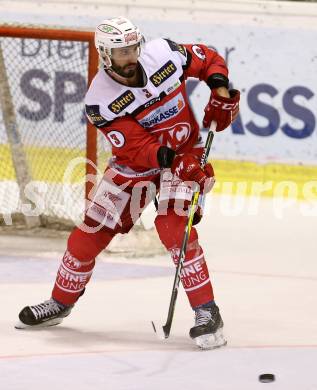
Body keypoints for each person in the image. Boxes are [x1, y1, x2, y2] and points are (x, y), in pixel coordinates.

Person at [16, 17, 239, 349]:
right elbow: (136, 147)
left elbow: (206, 59)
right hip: (137, 164)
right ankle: (60, 302)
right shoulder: (100, 99)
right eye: (122, 52)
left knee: (174, 228)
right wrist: (176, 161)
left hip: (186, 153)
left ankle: (207, 312)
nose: (131, 56)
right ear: (106, 55)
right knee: (88, 235)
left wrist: (220, 90)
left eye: (134, 47)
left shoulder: (162, 53)